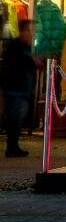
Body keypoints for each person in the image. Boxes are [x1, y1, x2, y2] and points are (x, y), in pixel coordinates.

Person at [2, 18, 43, 157]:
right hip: (15, 89)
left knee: (17, 119)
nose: (33, 34)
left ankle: (13, 146)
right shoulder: (17, 47)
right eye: (31, 31)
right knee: (15, 119)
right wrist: (32, 61)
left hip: (20, 89)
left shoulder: (23, 47)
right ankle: (12, 147)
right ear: (24, 31)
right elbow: (16, 65)